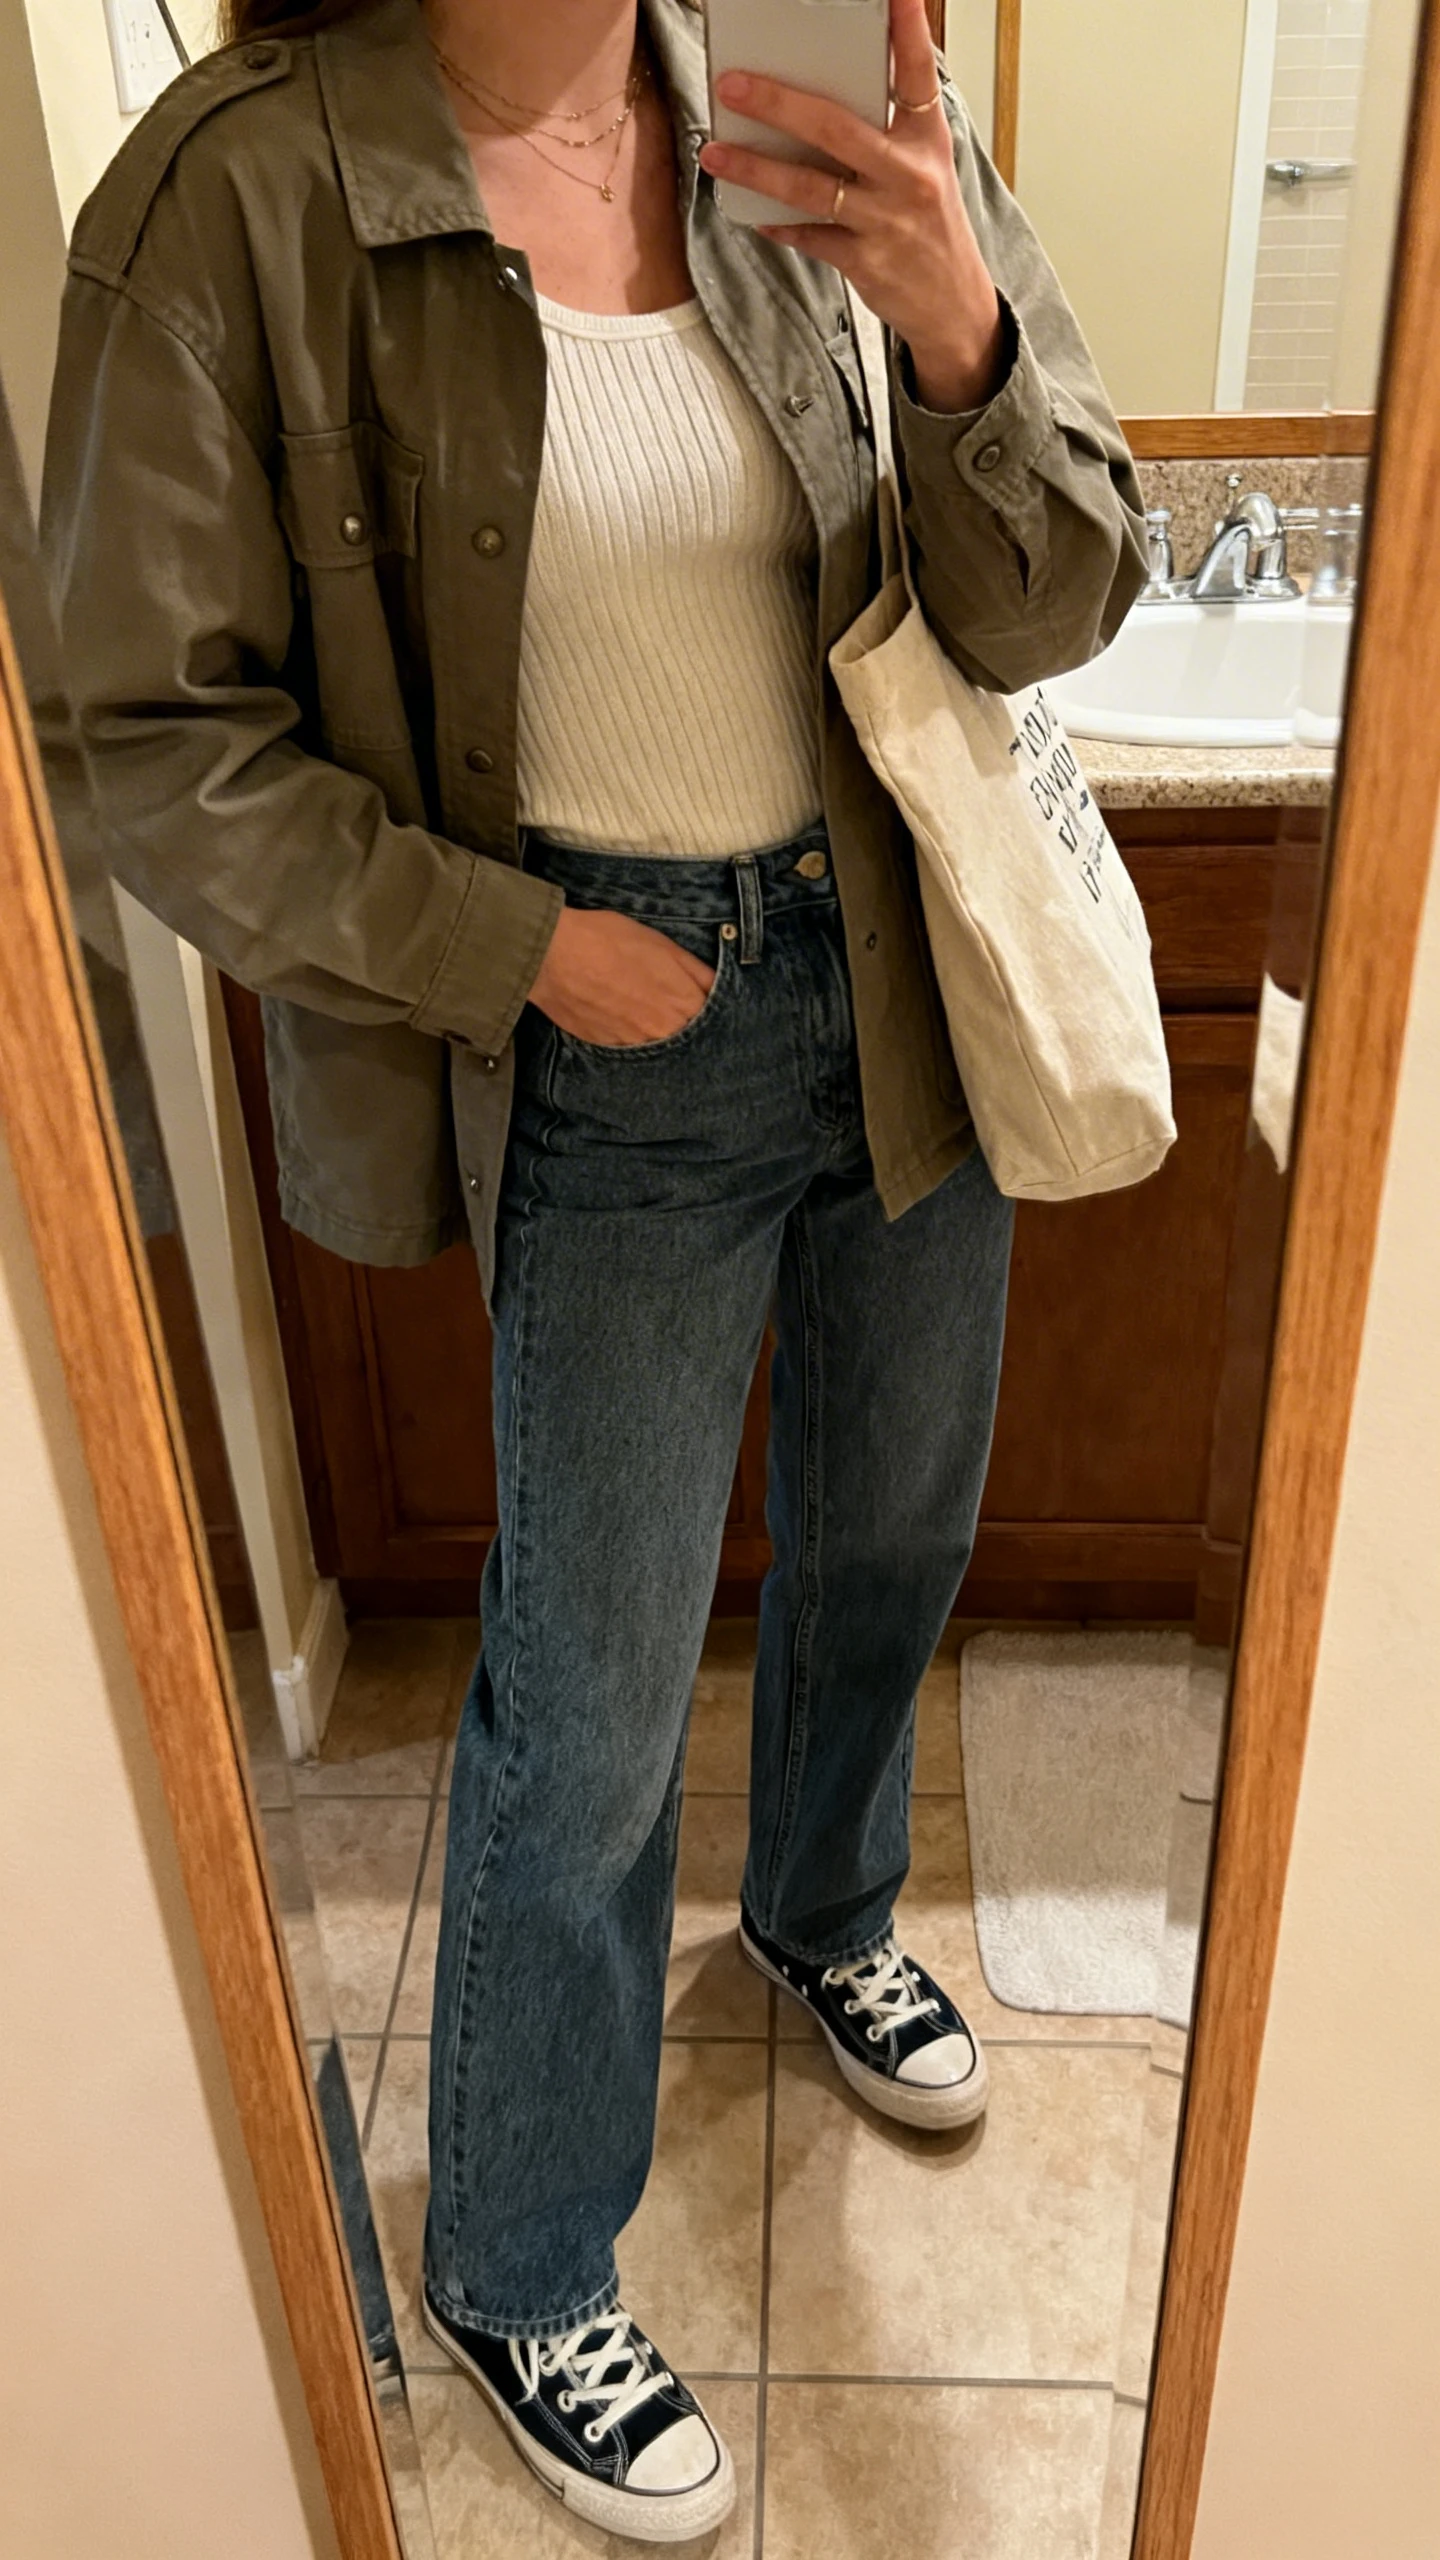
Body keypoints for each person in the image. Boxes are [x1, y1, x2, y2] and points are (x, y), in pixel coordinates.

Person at [43, 0, 1146, 2537]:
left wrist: (962, 331)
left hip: (898, 961)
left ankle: (828, 1909)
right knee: (595, 1695)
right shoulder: (239, 196)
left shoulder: (815, 98)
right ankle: (521, 2251)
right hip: (610, 1023)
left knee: (895, 1532)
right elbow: (142, 740)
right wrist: (515, 943)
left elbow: (1064, 588)